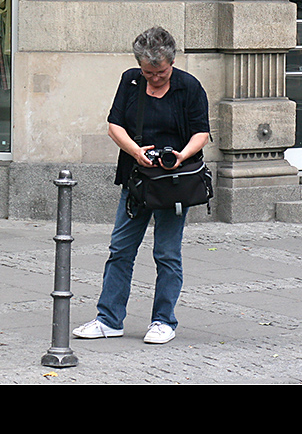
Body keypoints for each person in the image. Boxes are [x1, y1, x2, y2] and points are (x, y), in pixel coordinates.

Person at [73, 26, 210, 344]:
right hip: (137, 181)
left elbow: (201, 132)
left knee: (167, 253)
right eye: (148, 72)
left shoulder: (188, 87)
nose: (154, 78)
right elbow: (114, 125)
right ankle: (109, 319)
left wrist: (180, 155)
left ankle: (164, 321)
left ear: (171, 63)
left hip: (174, 182)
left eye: (160, 72)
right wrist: (136, 152)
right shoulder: (131, 81)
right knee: (120, 249)